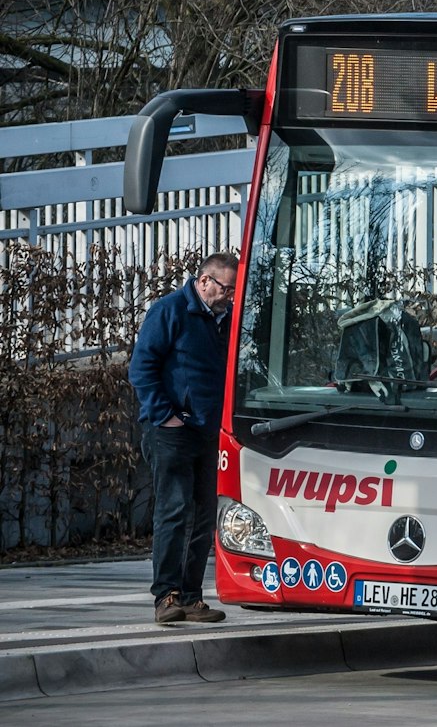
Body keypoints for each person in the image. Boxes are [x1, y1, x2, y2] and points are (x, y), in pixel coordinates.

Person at [128, 252, 237, 625]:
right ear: (204, 281)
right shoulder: (170, 310)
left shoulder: (226, 321)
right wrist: (165, 416)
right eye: (225, 288)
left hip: (209, 432)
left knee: (204, 517)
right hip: (172, 431)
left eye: (234, 290)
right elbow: (142, 367)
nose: (230, 296)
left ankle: (192, 597)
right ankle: (166, 596)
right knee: (173, 513)